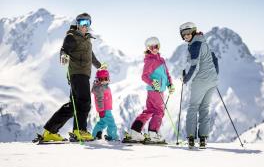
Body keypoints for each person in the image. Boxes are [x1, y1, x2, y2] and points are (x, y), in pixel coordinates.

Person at [42, 13, 107, 142]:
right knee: (84, 101)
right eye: (82, 22)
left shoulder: (87, 40)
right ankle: (80, 131)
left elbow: (91, 57)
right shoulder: (72, 36)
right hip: (78, 74)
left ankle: (50, 131)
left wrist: (100, 66)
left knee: (73, 106)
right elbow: (65, 49)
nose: (84, 26)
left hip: (82, 75)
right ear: (77, 24)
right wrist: (64, 56)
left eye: (87, 23)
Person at [123, 37, 175, 143]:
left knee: (150, 110)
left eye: (157, 46)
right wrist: (153, 83)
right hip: (155, 90)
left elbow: (167, 74)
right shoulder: (150, 60)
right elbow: (144, 76)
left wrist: (170, 84)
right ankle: (153, 134)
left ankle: (135, 132)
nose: (155, 48)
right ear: (148, 48)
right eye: (152, 47)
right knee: (159, 111)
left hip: (158, 89)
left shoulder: (161, 60)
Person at [179, 22, 218, 149]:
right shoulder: (204, 41)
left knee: (193, 108)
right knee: (204, 108)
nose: (186, 36)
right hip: (212, 80)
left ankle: (191, 138)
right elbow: (214, 59)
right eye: (183, 34)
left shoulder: (195, 45)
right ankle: (203, 139)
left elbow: (194, 66)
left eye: (188, 32)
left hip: (200, 80)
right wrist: (214, 75)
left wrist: (186, 79)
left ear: (194, 32)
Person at [92, 69, 119, 141]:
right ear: (98, 79)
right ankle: (112, 136)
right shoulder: (100, 87)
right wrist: (101, 110)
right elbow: (99, 100)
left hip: (106, 109)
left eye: (105, 79)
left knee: (102, 123)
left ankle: (95, 135)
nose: (104, 81)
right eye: (101, 79)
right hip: (105, 109)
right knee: (111, 123)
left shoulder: (103, 86)